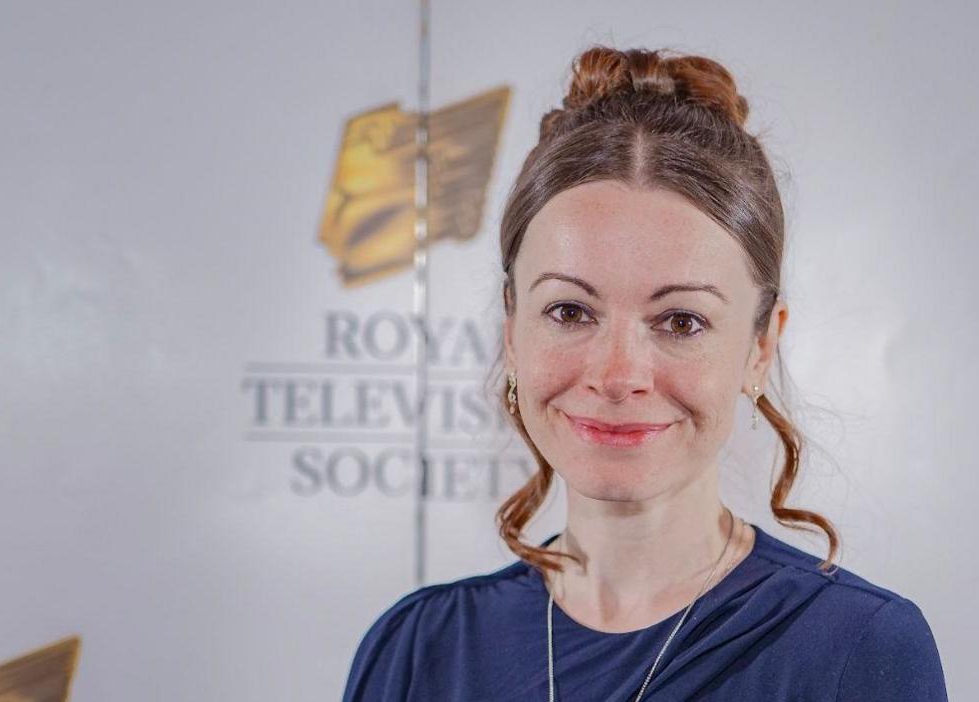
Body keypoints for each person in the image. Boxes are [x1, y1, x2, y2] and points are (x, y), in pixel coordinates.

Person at [342, 45, 948, 701]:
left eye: (681, 321)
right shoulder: (416, 650)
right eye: (571, 310)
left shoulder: (858, 649)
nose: (617, 373)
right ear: (512, 329)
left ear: (760, 349)